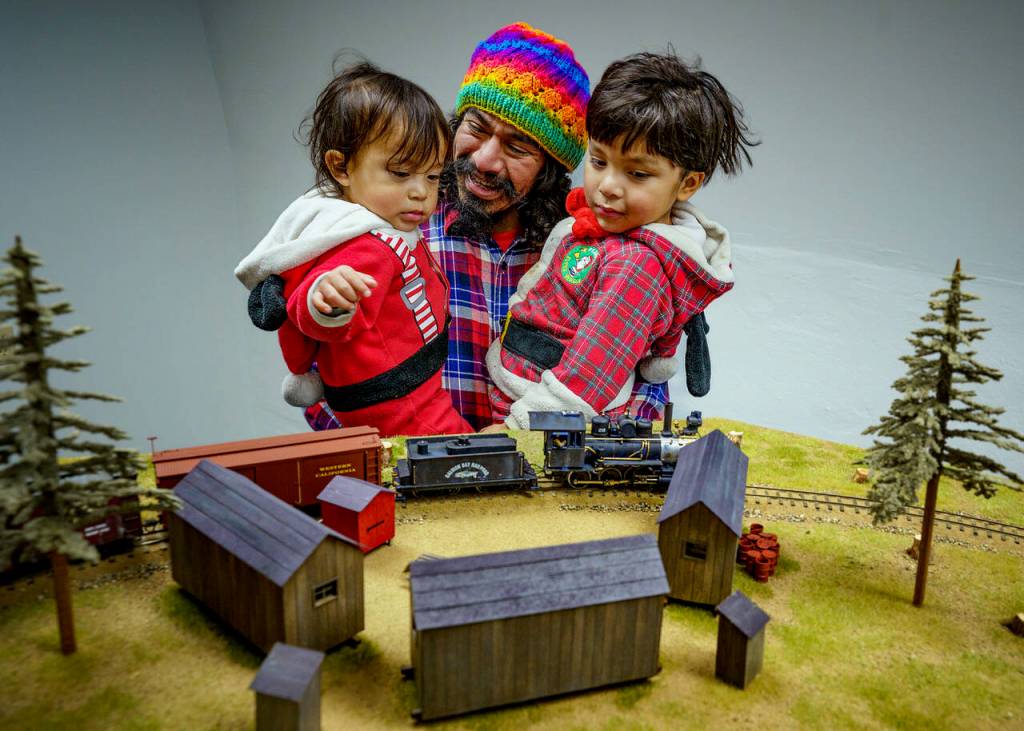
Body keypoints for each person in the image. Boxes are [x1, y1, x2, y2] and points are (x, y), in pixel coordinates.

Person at [302, 23, 670, 432]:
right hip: (407, 464)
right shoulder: (393, 232)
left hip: (544, 469)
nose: (484, 160)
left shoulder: (588, 252)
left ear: (550, 170)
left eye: (517, 147)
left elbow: (643, 386)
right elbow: (328, 376)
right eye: (476, 128)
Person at [486, 51, 757, 428]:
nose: (608, 186)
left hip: (540, 421)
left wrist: (514, 431)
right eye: (598, 162)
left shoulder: (637, 266)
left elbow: (587, 380)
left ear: (689, 183)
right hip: (519, 391)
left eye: (638, 174)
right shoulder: (600, 228)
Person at [235, 62, 471, 436]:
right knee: (460, 450)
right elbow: (314, 304)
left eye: (432, 176)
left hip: (413, 389)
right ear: (341, 167)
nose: (421, 192)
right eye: (400, 172)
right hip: (399, 405)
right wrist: (326, 298)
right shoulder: (367, 244)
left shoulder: (380, 222)